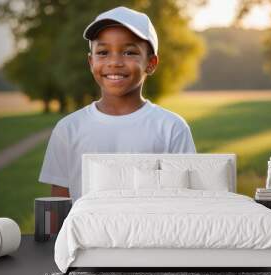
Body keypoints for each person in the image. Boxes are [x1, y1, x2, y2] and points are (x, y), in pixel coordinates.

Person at [39, 6, 196, 203]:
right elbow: (59, 207)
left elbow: (185, 202)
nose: (114, 62)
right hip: (87, 234)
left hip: (152, 234)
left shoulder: (172, 128)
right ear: (90, 62)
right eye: (103, 52)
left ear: (151, 63)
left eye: (129, 52)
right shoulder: (68, 129)